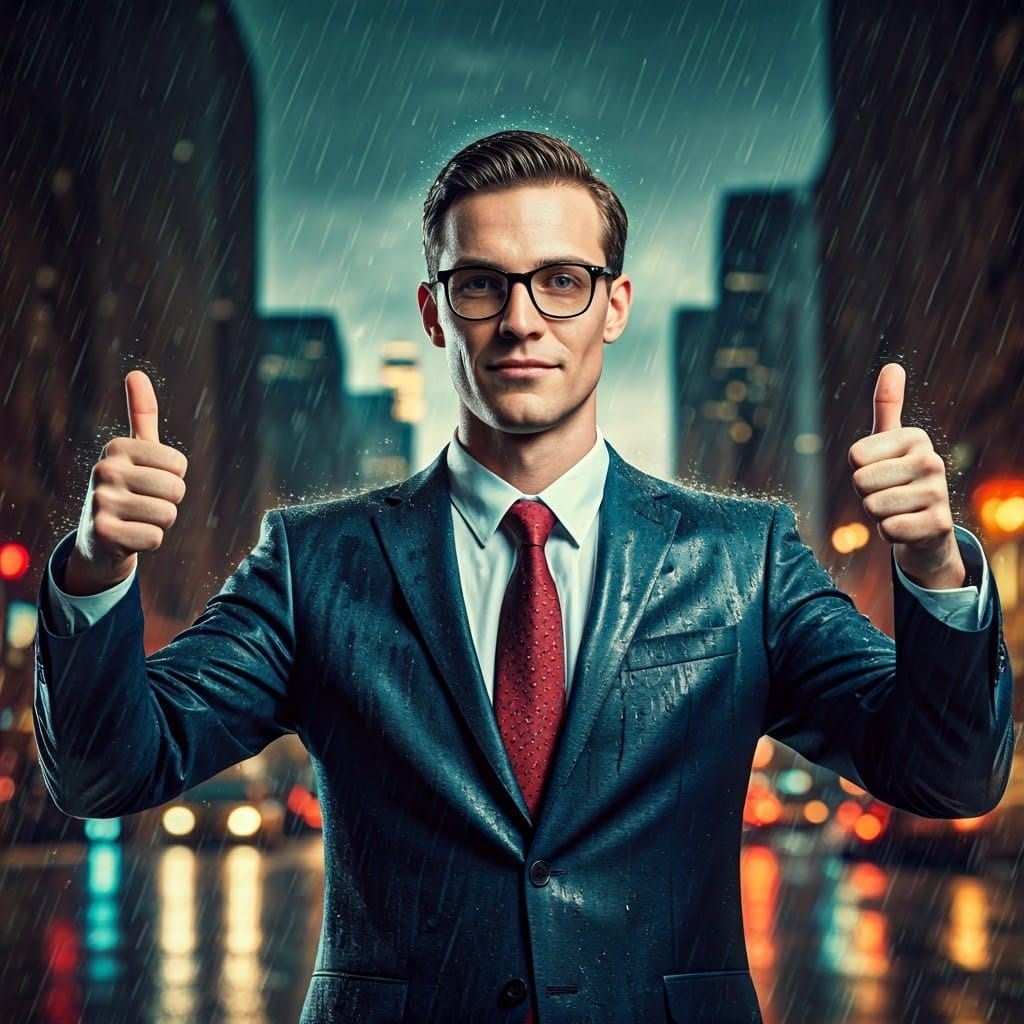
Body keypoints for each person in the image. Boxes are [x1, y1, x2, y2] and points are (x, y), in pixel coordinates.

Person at [34, 130, 1013, 1024]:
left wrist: (933, 564)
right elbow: (108, 768)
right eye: (480, 284)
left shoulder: (741, 560)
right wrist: (97, 567)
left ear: (614, 304)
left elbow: (946, 771)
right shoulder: (313, 565)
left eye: (560, 281)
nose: (519, 319)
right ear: (432, 311)